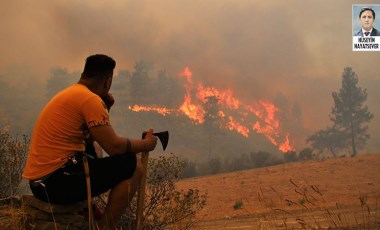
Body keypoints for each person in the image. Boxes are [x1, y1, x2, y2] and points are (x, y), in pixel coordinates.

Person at [22, 54, 158, 229]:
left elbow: (93, 138)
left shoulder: (73, 93)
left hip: (40, 183)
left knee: (93, 147)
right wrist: (147, 144)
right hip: (55, 184)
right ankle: (105, 227)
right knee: (133, 164)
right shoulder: (89, 99)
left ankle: (87, 210)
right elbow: (114, 147)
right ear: (107, 81)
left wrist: (106, 108)